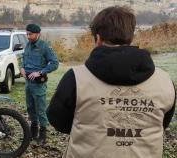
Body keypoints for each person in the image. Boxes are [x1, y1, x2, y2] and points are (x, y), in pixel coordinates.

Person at [47, 6, 176, 158]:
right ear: (130, 37)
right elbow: (162, 123)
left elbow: (58, 121)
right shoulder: (164, 80)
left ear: (98, 38)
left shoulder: (76, 77)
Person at [21, 23, 58, 145]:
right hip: (28, 83)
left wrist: (40, 72)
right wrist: (22, 67)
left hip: (38, 84)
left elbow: (54, 63)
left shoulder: (44, 47)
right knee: (30, 108)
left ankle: (43, 135)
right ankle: (33, 131)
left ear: (37, 34)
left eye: (30, 34)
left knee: (41, 110)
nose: (28, 36)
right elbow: (23, 58)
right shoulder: (27, 45)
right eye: (27, 34)